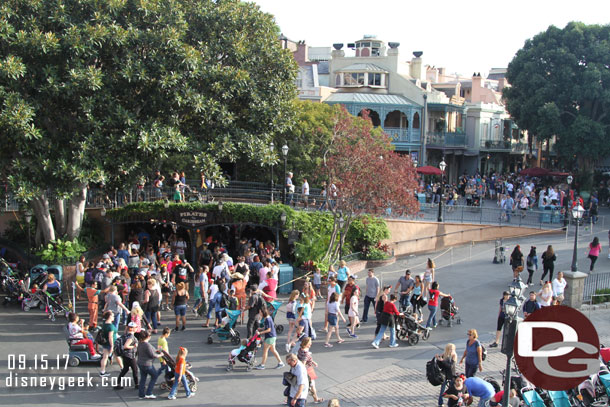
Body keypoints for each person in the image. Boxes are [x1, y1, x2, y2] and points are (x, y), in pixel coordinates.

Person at [297, 337, 324, 404]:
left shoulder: (300, 349)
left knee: (299, 385)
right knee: (312, 385)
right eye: (309, 343)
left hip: (306, 369)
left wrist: (313, 362)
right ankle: (316, 399)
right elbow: (304, 363)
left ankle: (288, 398)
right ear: (306, 344)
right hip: (308, 370)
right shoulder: (305, 352)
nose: (311, 344)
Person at [137, 330, 162, 399]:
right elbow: (152, 355)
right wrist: (160, 355)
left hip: (140, 363)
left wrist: (155, 350)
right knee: (154, 376)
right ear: (148, 337)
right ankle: (149, 392)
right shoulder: (147, 345)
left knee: (143, 378)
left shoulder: (140, 343)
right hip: (147, 364)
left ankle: (141, 394)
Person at [114, 322, 139, 390]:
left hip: (125, 355)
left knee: (125, 369)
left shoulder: (125, 335)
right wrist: (134, 346)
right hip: (130, 355)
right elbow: (126, 346)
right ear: (132, 329)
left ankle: (118, 383)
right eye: (136, 327)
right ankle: (137, 384)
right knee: (135, 370)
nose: (137, 328)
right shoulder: (131, 336)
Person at [99, 311, 117, 377]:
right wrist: (112, 345)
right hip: (110, 343)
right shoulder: (111, 326)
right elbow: (110, 337)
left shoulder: (104, 324)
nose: (113, 317)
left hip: (105, 343)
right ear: (109, 317)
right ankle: (123, 368)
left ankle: (102, 371)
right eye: (112, 316)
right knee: (117, 355)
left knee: (104, 357)